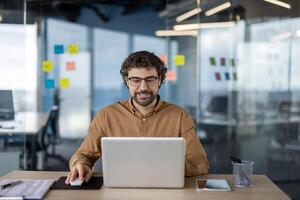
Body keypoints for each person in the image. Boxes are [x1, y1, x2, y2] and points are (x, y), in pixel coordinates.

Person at [65, 51, 209, 184]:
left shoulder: (180, 116)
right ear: (127, 82)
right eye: (135, 80)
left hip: (165, 190)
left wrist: (156, 169)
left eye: (150, 79)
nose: (143, 87)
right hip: (118, 190)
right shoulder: (106, 115)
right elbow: (84, 154)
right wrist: (81, 165)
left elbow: (199, 163)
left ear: (160, 80)